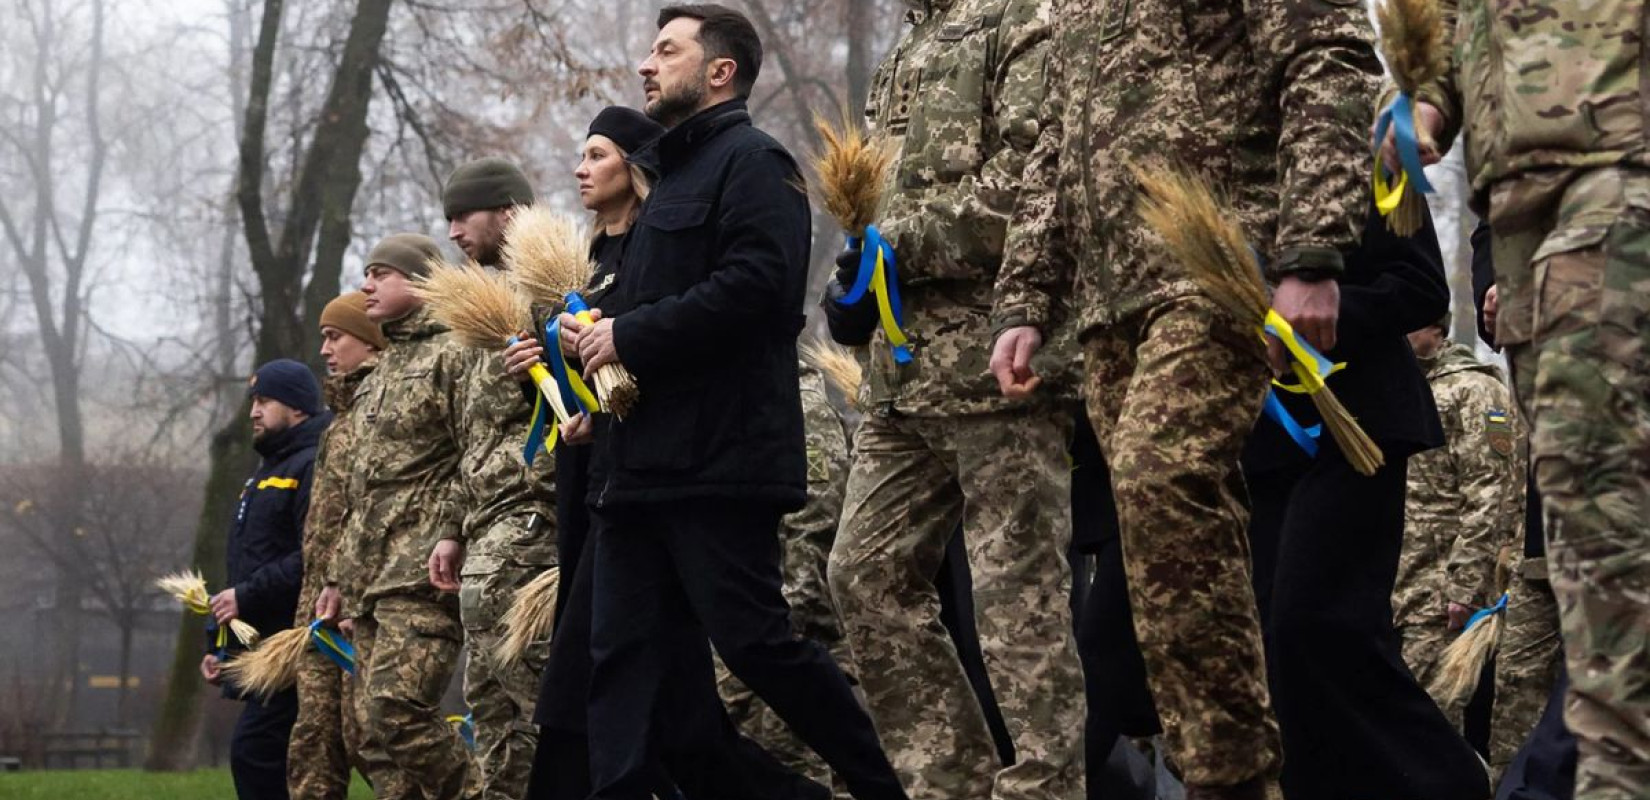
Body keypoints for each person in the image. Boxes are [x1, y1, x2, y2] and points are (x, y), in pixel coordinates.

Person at [987, 0, 1388, 793]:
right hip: (1110, 310)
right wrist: (1026, 299)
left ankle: (1235, 780)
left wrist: (1312, 248)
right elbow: (1054, 147)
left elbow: (1326, 52)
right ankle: (1213, 770)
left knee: (1160, 480)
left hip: (1214, 270)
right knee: (1162, 554)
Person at [569, 6, 906, 799]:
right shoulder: (667, 182)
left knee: (757, 646)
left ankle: (887, 785)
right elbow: (642, 308)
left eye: (666, 51)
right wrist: (595, 354)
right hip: (635, 470)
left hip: (718, 464)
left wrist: (630, 335)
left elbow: (760, 290)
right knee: (620, 667)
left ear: (719, 71)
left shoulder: (757, 163)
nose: (646, 66)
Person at [515, 107, 825, 800]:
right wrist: (551, 376)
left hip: (677, 481)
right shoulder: (589, 269)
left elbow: (709, 325)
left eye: (598, 154)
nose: (581, 169)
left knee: (633, 677)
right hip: (609, 490)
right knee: (665, 704)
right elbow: (599, 380)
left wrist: (612, 396)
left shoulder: (670, 247)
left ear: (636, 165)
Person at [819, 0, 1084, 794]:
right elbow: (876, 203)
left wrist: (899, 242)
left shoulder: (1024, 19)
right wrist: (856, 272)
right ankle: (951, 785)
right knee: (862, 578)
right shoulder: (908, 43)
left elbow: (1037, 182)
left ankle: (1045, 789)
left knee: (1018, 604)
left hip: (997, 368)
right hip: (900, 384)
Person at [1390, 2, 1650, 794]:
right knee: (1579, 540)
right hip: (1519, 214)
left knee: (1608, 538)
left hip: (1614, 177)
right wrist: (1428, 98)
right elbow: (1455, 21)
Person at [1237, 203, 1487, 799]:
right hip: (1260, 440)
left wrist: (1326, 310)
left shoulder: (1356, 135)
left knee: (1319, 625)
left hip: (1360, 427)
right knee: (1271, 650)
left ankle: (1448, 782)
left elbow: (1420, 284)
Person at [316, 233, 472, 800]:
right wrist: (342, 581)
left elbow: (471, 453)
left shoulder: (455, 352)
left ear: (421, 279)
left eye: (380, 273)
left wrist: (451, 531)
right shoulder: (386, 369)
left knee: (398, 709)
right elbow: (365, 493)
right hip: (372, 583)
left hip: (422, 573)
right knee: (373, 735)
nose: (366, 285)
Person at [435, 157, 559, 800]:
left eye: (463, 216)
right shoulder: (479, 308)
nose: (453, 231)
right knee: (488, 701)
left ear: (507, 212)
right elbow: (474, 436)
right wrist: (453, 529)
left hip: (538, 514)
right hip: (484, 518)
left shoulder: (553, 285)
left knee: (543, 692)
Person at [288, 293, 403, 799]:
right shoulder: (338, 421)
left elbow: (379, 510)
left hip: (359, 601)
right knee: (313, 741)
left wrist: (357, 593)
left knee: (371, 739)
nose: (325, 350)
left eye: (336, 337)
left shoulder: (383, 411)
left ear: (370, 338)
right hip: (317, 606)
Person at [202, 358, 330, 800]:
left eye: (264, 401)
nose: (253, 411)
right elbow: (245, 567)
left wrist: (246, 595)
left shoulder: (310, 466)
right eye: (252, 401)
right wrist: (220, 647)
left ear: (297, 407)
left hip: (298, 644)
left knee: (256, 751)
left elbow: (312, 557)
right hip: (261, 646)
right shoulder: (264, 473)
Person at [1397, 314, 1528, 725]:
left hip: (1443, 594)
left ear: (1435, 327)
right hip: (1401, 588)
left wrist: (1465, 586)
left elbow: (1491, 491)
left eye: (1408, 323)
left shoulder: (1473, 389)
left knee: (1431, 717)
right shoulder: (1406, 386)